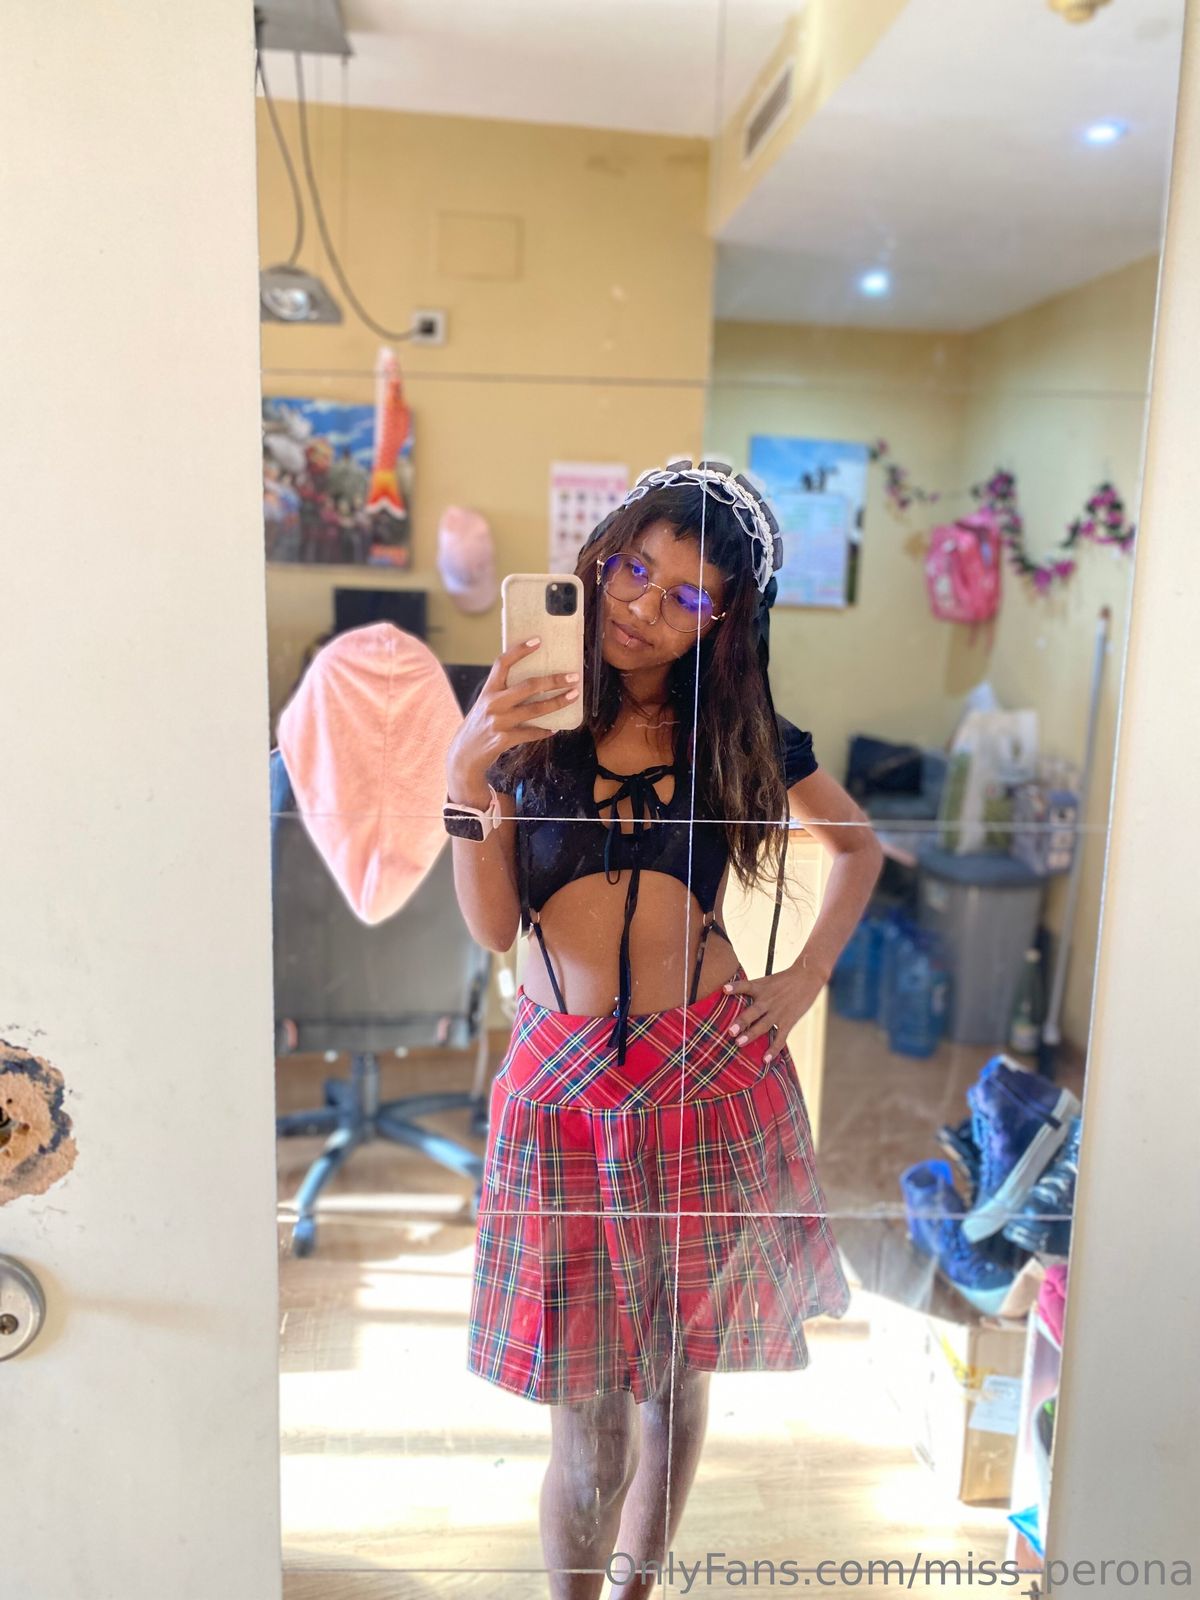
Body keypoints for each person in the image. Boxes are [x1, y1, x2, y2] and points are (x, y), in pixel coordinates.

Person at [444, 461, 883, 1599]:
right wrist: (465, 776)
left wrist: (805, 977)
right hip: (563, 1091)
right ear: (600, 559)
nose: (642, 606)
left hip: (709, 1075)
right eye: (634, 570)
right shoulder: (527, 716)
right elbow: (492, 928)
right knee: (587, 1420)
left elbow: (859, 846)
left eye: (686, 595)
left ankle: (638, 1589)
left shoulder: (737, 732)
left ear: (723, 621)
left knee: (676, 1388)